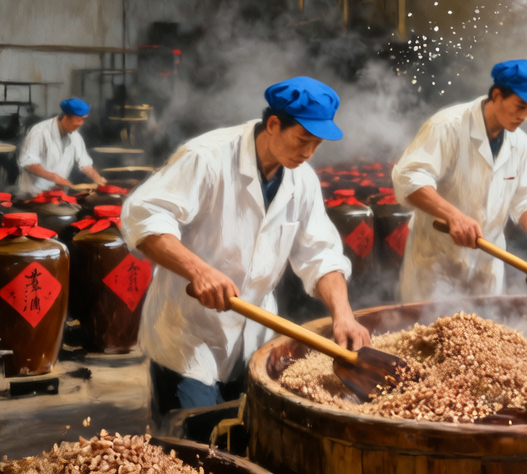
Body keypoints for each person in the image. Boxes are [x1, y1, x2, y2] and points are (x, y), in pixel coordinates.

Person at [120, 77, 370, 421]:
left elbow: (321, 254)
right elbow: (142, 214)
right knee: (193, 439)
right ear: (273, 124)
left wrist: (344, 316)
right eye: (302, 139)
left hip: (253, 336)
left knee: (242, 435)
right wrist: (199, 270)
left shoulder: (303, 180)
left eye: (317, 144)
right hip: (187, 332)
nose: (309, 152)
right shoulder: (207, 158)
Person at [394, 60, 527, 302]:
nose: (524, 116)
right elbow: (408, 177)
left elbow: (526, 197)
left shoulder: (520, 143)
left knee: (484, 335)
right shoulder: (448, 126)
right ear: (497, 95)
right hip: (436, 264)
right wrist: (453, 215)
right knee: (431, 337)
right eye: (520, 106)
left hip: (487, 267)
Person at [16, 97, 107, 198]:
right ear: (66, 117)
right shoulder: (40, 131)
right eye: (78, 120)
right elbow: (28, 161)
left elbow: (84, 163)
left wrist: (97, 178)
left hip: (59, 195)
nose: (81, 124)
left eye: (83, 120)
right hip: (33, 195)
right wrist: (54, 177)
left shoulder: (75, 136)